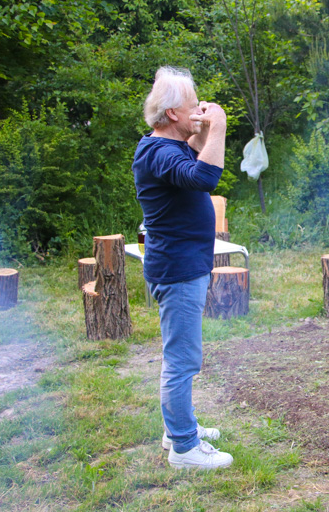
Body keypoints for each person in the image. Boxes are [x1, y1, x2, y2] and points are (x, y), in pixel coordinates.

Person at [132, 66, 233, 470]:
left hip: (178, 266)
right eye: (192, 102)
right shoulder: (158, 152)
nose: (199, 108)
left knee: (179, 355)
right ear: (172, 112)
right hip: (177, 272)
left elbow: (194, 155)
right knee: (183, 360)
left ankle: (178, 425)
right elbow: (206, 176)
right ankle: (184, 448)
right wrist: (220, 125)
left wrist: (204, 130)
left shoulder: (165, 148)